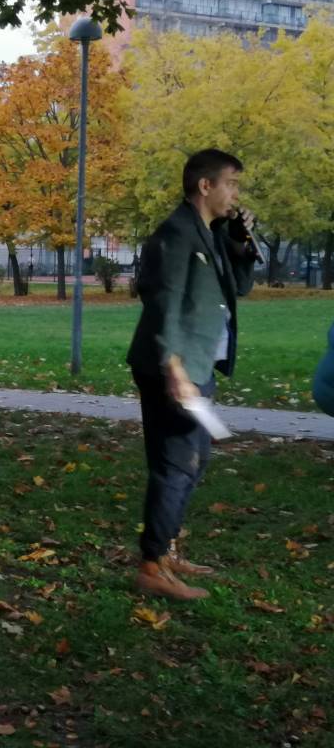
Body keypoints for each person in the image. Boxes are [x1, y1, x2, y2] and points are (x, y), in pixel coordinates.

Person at [126, 149, 258, 601]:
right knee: (177, 463)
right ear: (206, 186)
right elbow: (162, 300)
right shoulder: (176, 234)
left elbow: (238, 288)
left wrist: (240, 245)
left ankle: (169, 549)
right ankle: (151, 564)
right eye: (231, 184)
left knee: (195, 458)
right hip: (173, 366)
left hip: (197, 364)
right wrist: (174, 369)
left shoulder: (210, 233)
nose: (235, 194)